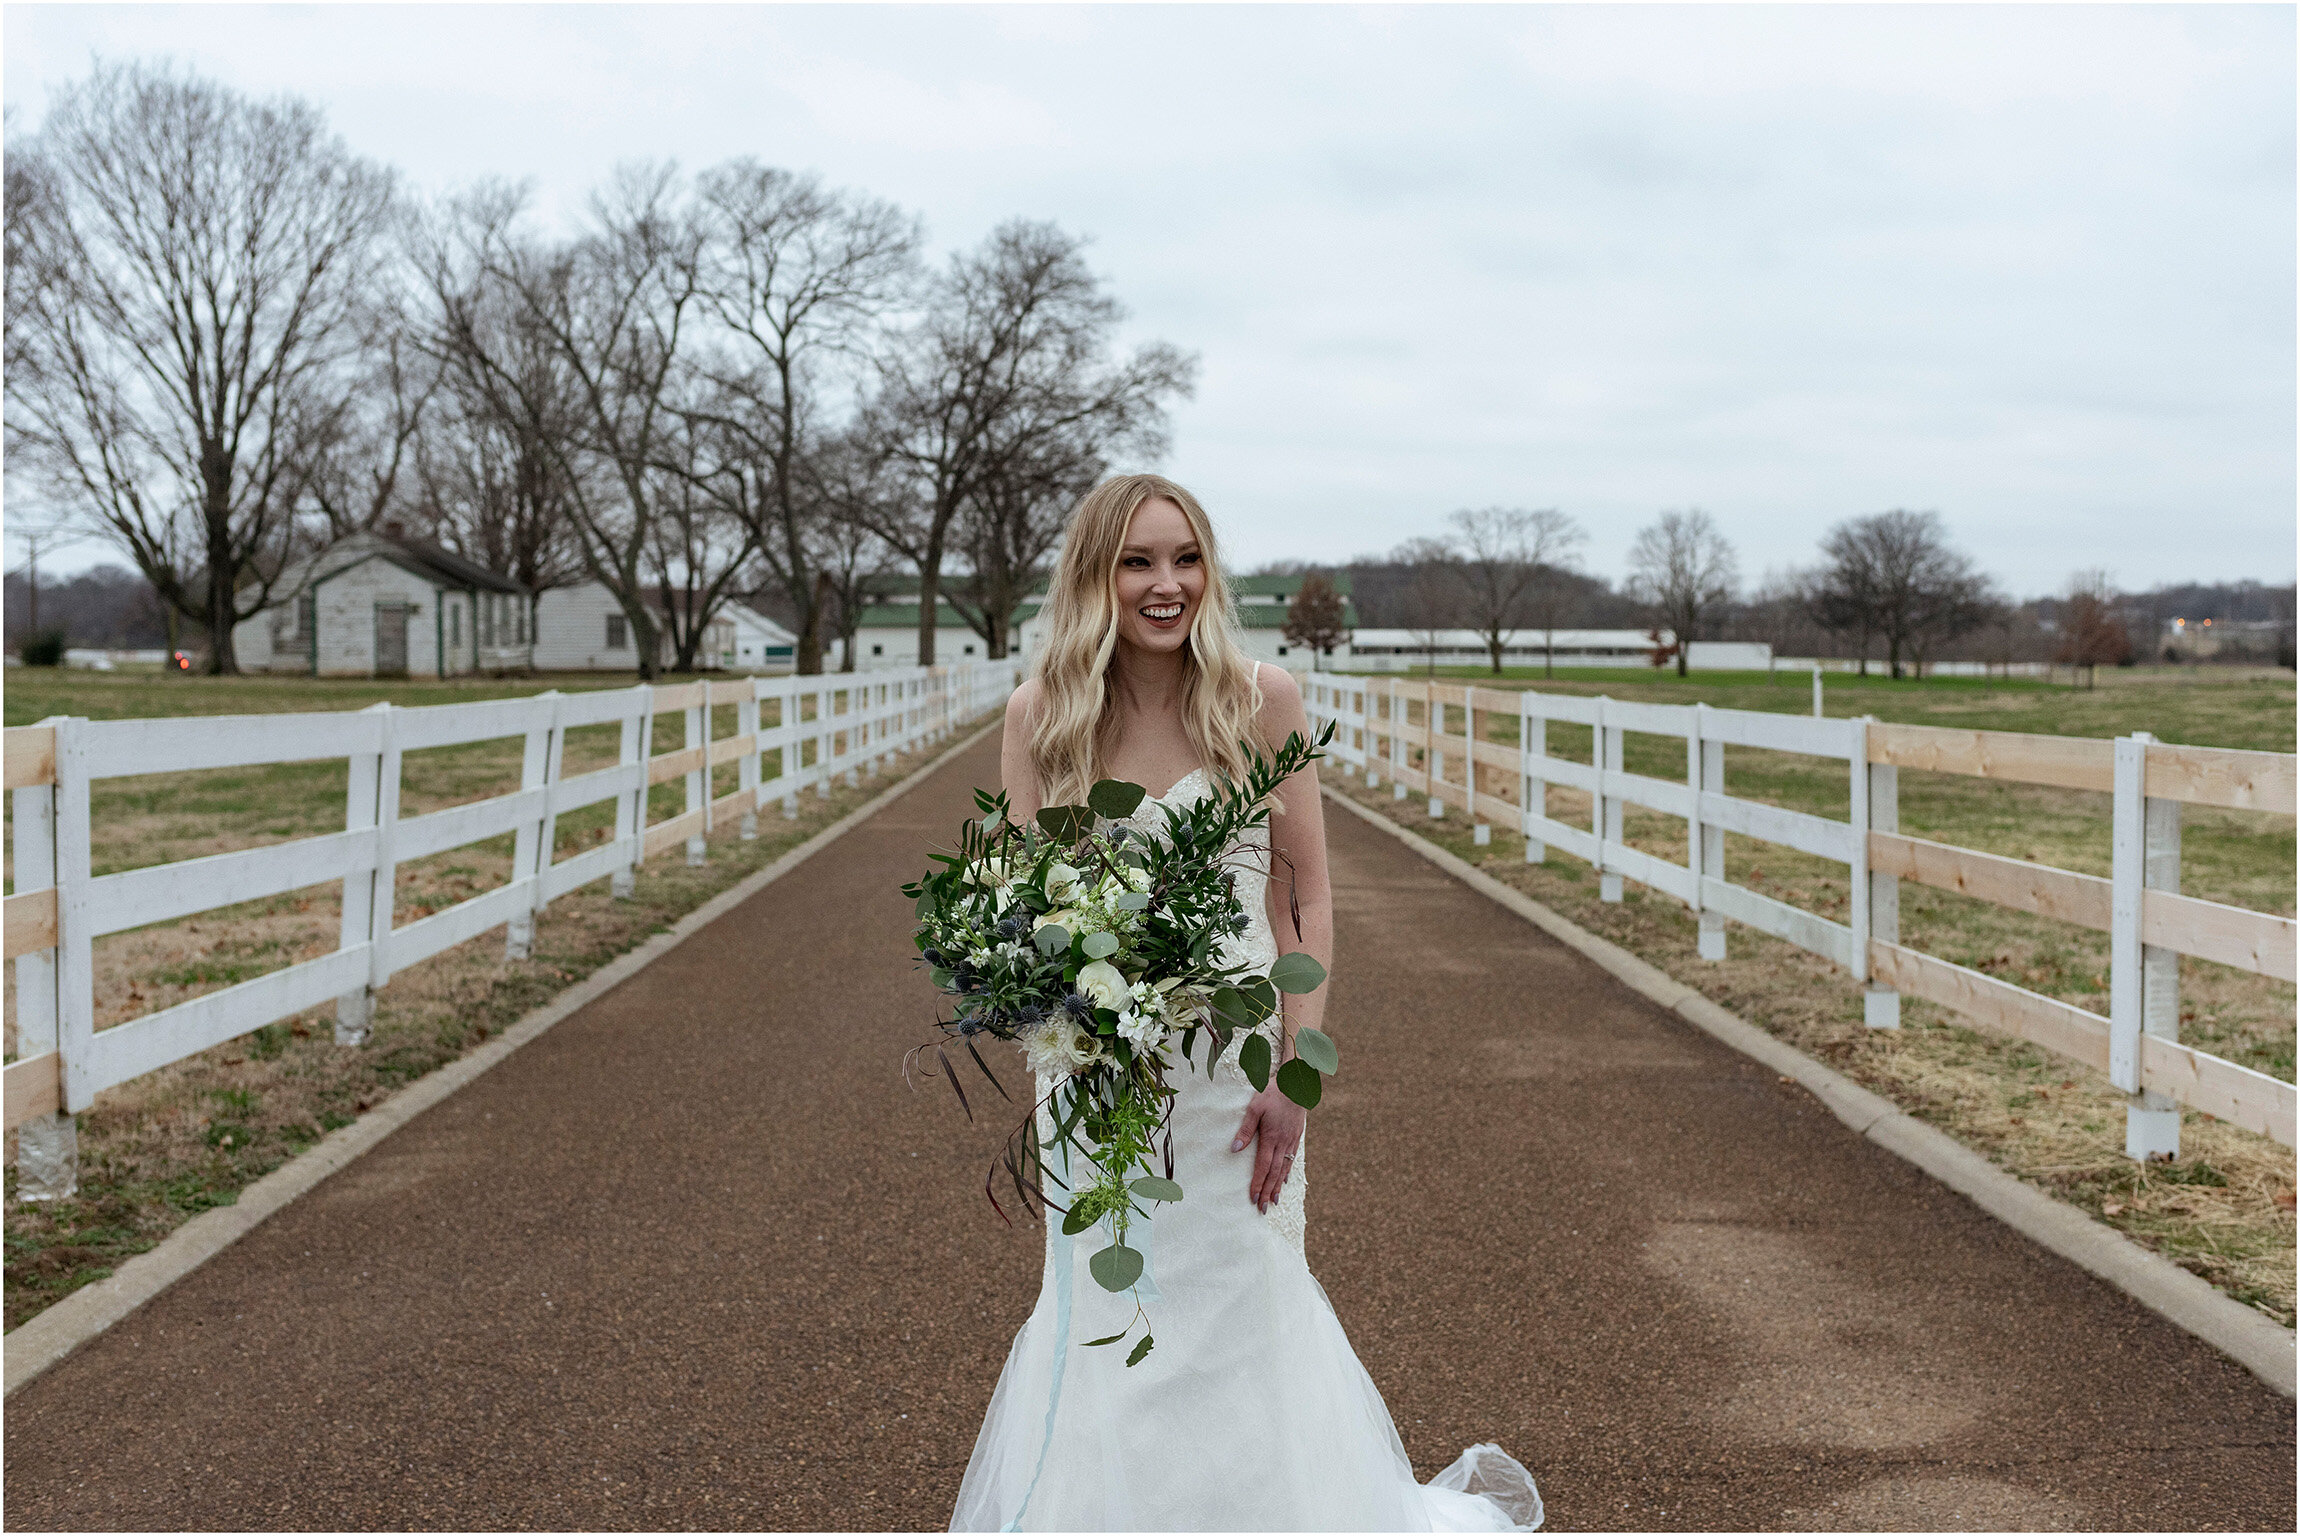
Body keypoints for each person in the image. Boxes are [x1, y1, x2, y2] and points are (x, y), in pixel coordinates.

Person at [949, 474, 1542, 1532]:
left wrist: (1292, 1072)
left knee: (1241, 1319)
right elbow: (1015, 904)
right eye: (1137, 561)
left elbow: (1303, 898)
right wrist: (1037, 992)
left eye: (1185, 559)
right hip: (1094, 1078)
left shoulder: (1260, 701)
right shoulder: (1041, 716)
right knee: (1105, 1318)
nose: (1165, 584)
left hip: (1236, 1079)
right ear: (1096, 576)